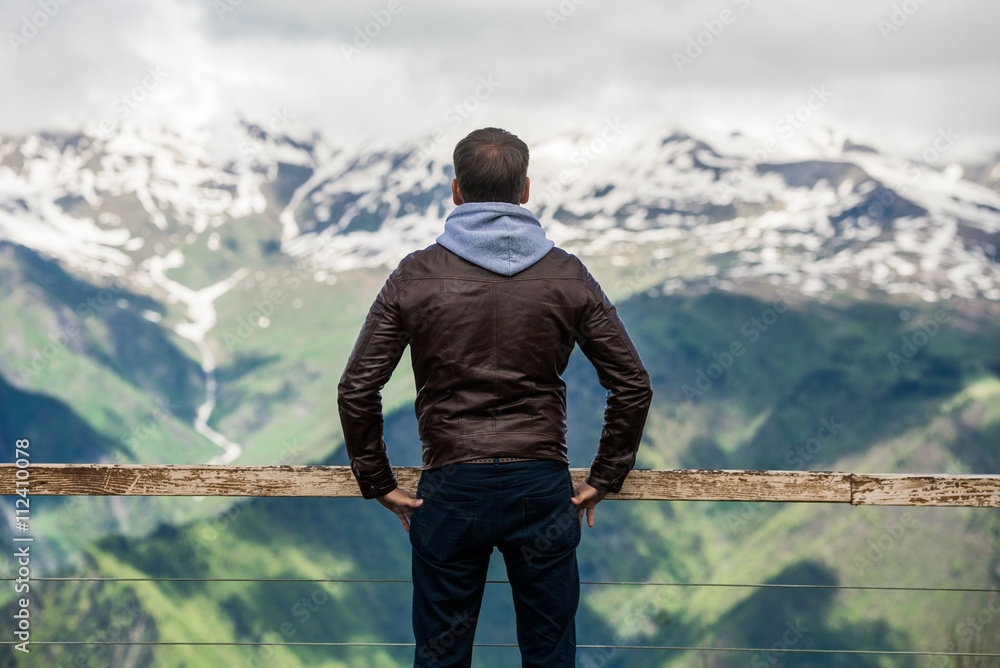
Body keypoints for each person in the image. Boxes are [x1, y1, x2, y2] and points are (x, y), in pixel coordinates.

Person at [337, 127, 653, 667]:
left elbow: (357, 388)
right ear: (525, 189)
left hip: (451, 490)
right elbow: (632, 384)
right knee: (550, 656)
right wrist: (605, 476)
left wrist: (378, 482)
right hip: (541, 488)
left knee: (441, 658)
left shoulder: (414, 276)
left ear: (456, 190)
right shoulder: (567, 275)